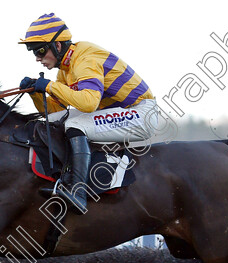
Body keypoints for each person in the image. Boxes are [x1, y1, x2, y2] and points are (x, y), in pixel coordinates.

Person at [19, 13, 158, 212]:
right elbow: (55, 112)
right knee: (59, 121)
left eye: (40, 51)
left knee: (76, 125)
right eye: (33, 52)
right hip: (121, 112)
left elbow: (89, 103)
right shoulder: (65, 68)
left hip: (140, 114)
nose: (37, 58)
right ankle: (65, 176)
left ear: (57, 46)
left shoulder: (85, 59)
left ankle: (78, 192)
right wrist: (35, 92)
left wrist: (50, 86)